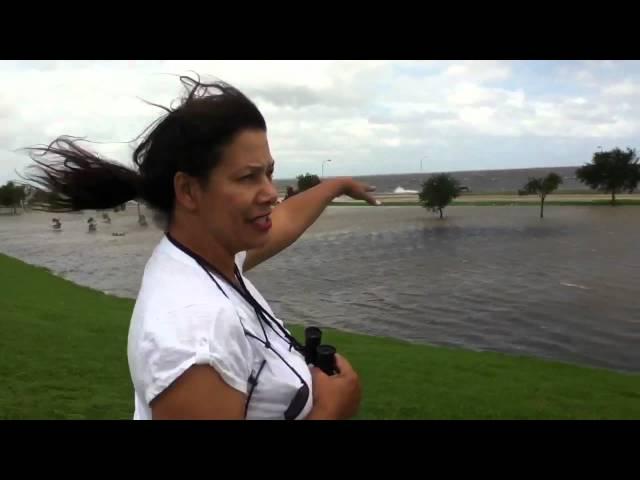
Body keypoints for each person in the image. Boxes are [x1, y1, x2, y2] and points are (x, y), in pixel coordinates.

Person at [23, 74, 379, 420]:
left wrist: (336, 186)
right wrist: (331, 411)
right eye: (248, 177)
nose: (271, 193)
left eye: (269, 173)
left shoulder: (207, 259)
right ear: (189, 191)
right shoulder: (194, 338)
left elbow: (284, 222)